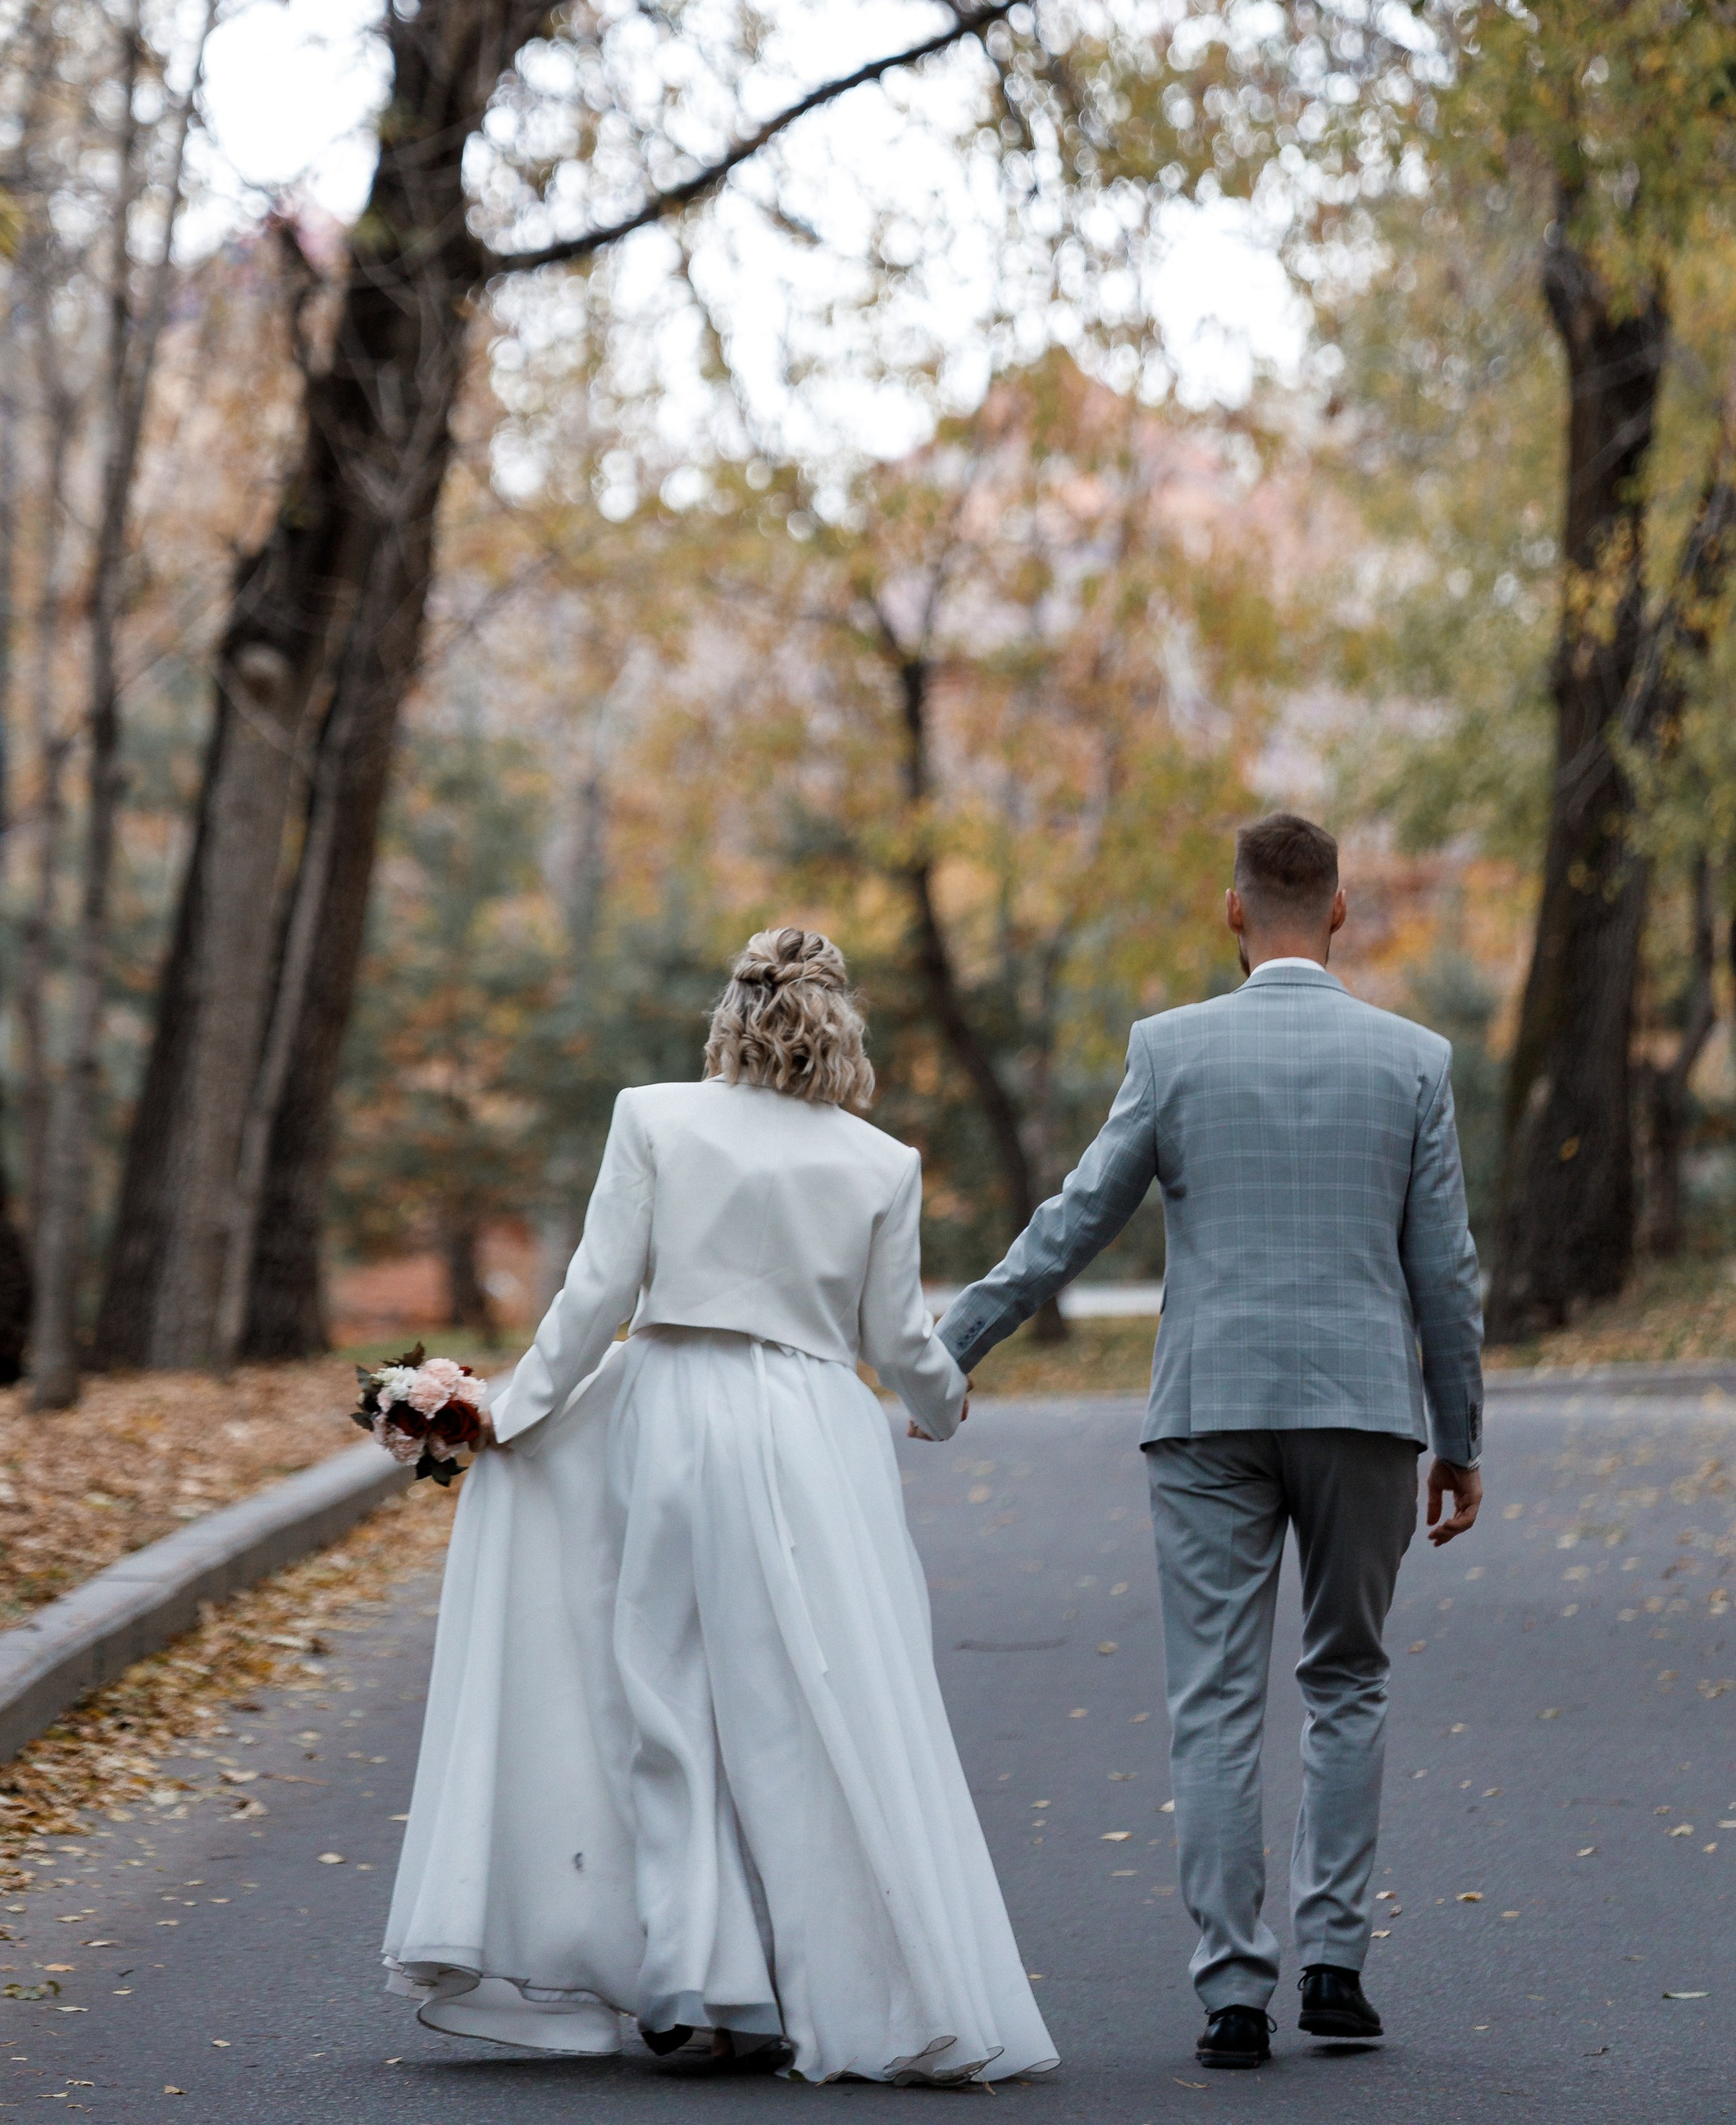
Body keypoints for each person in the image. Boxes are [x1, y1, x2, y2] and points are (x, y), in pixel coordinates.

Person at [383, 924, 1058, 2087]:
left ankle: (707, 1983)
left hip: (672, 1412)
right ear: (839, 1025)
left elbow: (597, 1295)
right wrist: (944, 1408)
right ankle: (831, 1980)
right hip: (812, 1433)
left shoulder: (654, 1116)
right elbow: (900, 1340)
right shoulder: (880, 1162)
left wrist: (510, 1408)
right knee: (811, 1707)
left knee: (667, 1698)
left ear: (730, 1018)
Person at [936, 813, 1483, 2073]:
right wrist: (1457, 1435)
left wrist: (952, 1348)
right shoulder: (1415, 1062)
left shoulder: (1172, 1051)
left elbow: (1075, 1220)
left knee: (1214, 1702)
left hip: (1210, 1416)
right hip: (1361, 1413)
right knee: (1348, 1677)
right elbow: (1445, 1272)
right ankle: (1335, 1965)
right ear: (1339, 908)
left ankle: (1235, 1993)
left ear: (1233, 910)